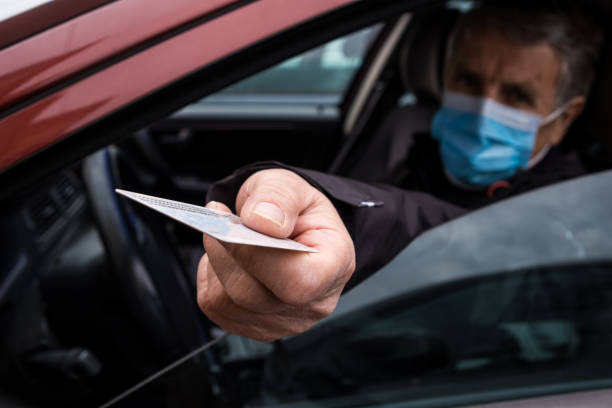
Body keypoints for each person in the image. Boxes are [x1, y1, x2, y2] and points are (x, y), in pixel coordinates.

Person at [196, 1, 603, 341]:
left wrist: (339, 212)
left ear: (566, 117)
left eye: (516, 96)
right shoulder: (411, 143)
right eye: (468, 80)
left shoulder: (575, 212)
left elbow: (461, 232)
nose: (483, 109)